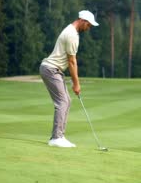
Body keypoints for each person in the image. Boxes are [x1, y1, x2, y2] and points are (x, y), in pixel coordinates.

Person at [40, 10, 99, 148]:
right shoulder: (72, 35)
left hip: (53, 69)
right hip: (51, 69)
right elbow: (72, 62)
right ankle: (56, 138)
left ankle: (59, 135)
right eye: (89, 25)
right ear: (83, 21)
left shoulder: (71, 31)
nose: (89, 28)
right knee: (62, 102)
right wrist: (76, 84)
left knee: (66, 101)